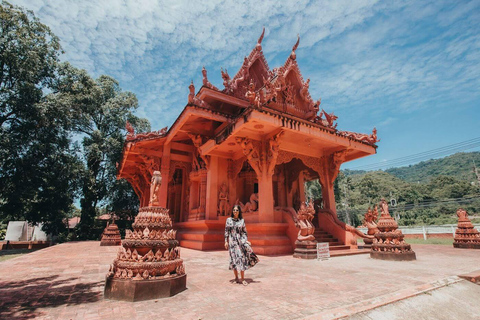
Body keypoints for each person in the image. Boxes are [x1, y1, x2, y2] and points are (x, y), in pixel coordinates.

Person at [224, 205, 258, 285]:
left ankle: (242, 279)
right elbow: (226, 231)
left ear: (239, 212)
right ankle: (236, 278)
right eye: (234, 210)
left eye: (236, 210)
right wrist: (226, 241)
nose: (235, 211)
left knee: (241, 259)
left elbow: (244, 232)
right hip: (232, 243)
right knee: (233, 260)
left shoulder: (242, 221)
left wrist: (245, 241)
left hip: (240, 242)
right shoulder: (228, 220)